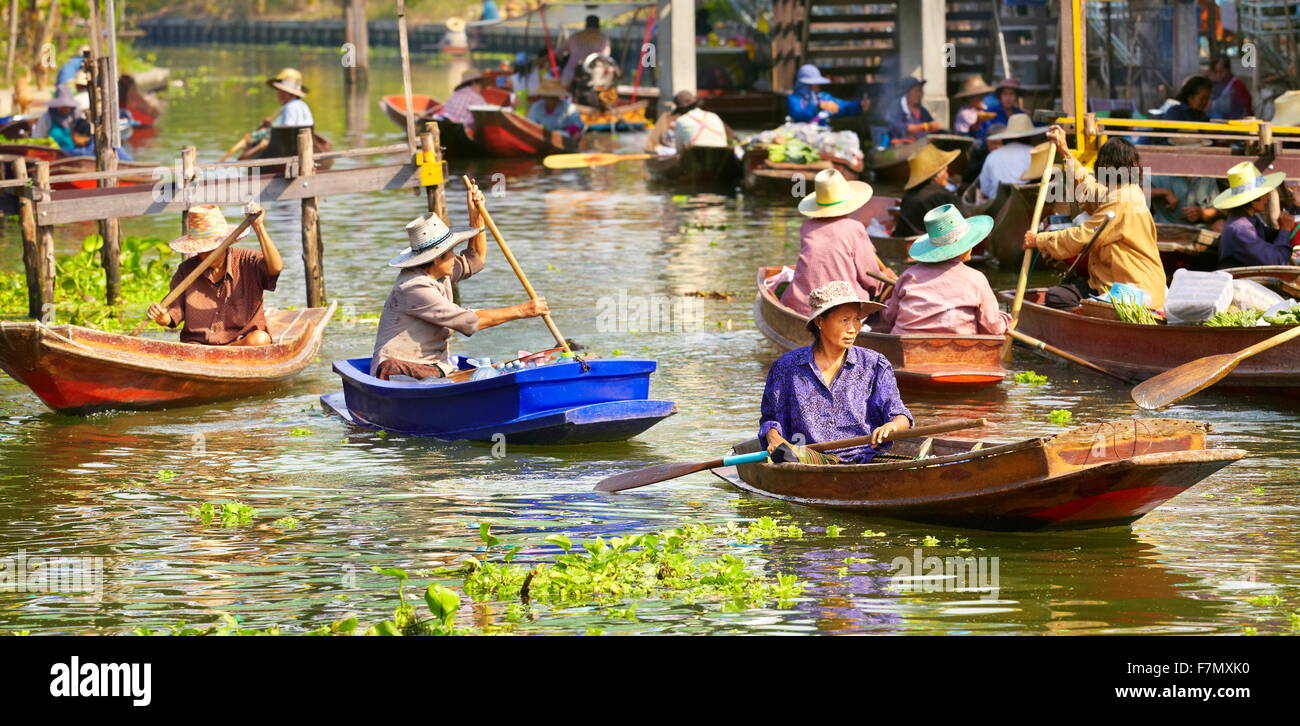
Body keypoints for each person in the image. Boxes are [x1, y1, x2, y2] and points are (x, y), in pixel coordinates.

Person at [371, 181, 550, 380]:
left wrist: (476, 216)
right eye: (450, 253)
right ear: (435, 258)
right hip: (401, 369)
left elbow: (476, 259)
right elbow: (469, 321)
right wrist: (524, 310)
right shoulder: (414, 287)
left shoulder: (440, 272)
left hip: (434, 364)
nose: (454, 257)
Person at [759, 280, 912, 464]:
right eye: (844, 320)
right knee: (786, 454)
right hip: (808, 458)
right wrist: (774, 438)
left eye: (856, 320)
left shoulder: (874, 364)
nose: (853, 329)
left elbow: (900, 415)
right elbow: (771, 420)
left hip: (864, 458)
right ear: (820, 321)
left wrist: (893, 425)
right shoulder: (786, 367)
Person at [1023, 126, 1166, 309]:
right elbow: (1088, 188)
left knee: (1057, 297)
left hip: (1133, 290)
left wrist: (1039, 240)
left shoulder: (1124, 200)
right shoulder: (1122, 192)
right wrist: (1065, 152)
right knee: (1066, 290)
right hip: (1114, 282)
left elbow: (1082, 236)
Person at [146, 203, 282, 346]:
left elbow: (276, 267)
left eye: (211, 249)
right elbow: (170, 316)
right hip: (198, 347)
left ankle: (222, 355)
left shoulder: (246, 261)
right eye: (201, 249)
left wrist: (259, 227)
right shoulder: (186, 271)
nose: (205, 254)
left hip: (239, 345)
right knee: (190, 349)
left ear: (225, 243)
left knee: (260, 339)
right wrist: (161, 316)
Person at [881, 205, 1009, 335]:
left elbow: (890, 316)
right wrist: (1006, 320)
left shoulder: (908, 275)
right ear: (965, 248)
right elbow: (993, 328)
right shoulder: (977, 279)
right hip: (959, 349)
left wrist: (886, 303)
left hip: (905, 347)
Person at [781, 169, 895, 316]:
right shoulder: (854, 228)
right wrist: (884, 279)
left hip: (799, 305)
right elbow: (870, 279)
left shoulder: (806, 227)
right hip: (842, 308)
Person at [1213, 161, 1297, 268]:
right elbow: (1277, 260)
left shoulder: (1247, 218)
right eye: (1264, 194)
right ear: (1253, 200)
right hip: (1241, 282)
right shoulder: (1241, 228)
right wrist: (1285, 230)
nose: (1267, 197)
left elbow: (1269, 235)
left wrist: (1285, 225)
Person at [894, 143, 959, 237]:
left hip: (902, 242)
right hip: (928, 245)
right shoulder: (942, 195)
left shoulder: (908, 195)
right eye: (945, 171)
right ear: (936, 175)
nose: (947, 175)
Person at [977, 114, 1045, 200]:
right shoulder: (1035, 152)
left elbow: (985, 188)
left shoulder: (992, 155)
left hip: (996, 203)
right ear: (1030, 136)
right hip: (1025, 200)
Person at [644, 90, 735, 154]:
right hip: (720, 154)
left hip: (695, 156)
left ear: (681, 109)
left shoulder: (681, 120)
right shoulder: (714, 116)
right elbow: (726, 141)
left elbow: (679, 150)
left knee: (660, 149)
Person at [786, 64, 867, 124]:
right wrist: (818, 107)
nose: (818, 85)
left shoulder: (823, 97)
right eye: (814, 83)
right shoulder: (794, 99)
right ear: (805, 85)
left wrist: (859, 105)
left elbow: (841, 106)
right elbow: (798, 114)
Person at [560, 15, 610, 87]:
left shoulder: (575, 36)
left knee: (563, 93)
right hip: (593, 76)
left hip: (570, 73)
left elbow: (558, 52)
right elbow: (605, 57)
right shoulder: (603, 39)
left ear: (586, 24)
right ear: (598, 25)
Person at [885, 77, 938, 143]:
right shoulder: (896, 109)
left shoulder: (923, 111)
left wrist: (935, 128)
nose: (919, 94)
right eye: (916, 91)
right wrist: (926, 126)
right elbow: (900, 128)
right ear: (906, 93)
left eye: (920, 91)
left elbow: (933, 127)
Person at [1208, 55, 1253, 120]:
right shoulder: (1222, 85)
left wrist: (1212, 105)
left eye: (1222, 72)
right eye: (1217, 72)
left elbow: (1235, 107)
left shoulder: (1237, 86)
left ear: (1228, 70)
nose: (1219, 75)